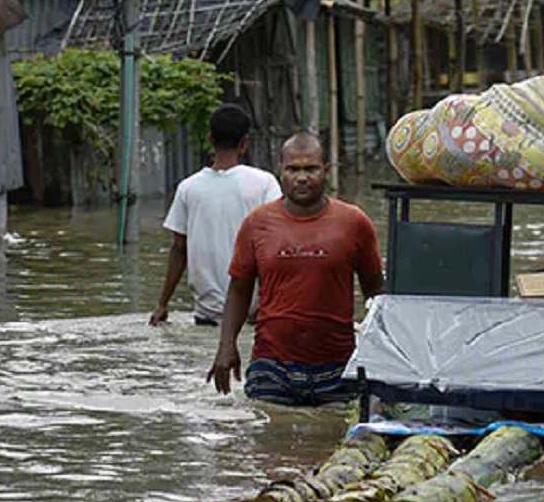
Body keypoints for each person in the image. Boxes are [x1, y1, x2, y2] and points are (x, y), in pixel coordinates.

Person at [207, 132, 385, 406]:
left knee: (330, 442)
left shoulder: (354, 222)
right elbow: (239, 290)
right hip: (271, 365)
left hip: (338, 366)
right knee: (269, 441)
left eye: (311, 169)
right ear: (281, 171)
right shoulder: (257, 224)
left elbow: (376, 292)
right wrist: (225, 345)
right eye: (293, 169)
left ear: (326, 171)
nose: (302, 178)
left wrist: (382, 355)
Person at [149, 104, 282, 326]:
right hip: (253, 316)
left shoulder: (188, 188)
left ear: (210, 139)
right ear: (244, 143)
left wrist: (163, 304)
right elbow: (277, 245)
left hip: (206, 317)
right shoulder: (264, 183)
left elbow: (178, 250)